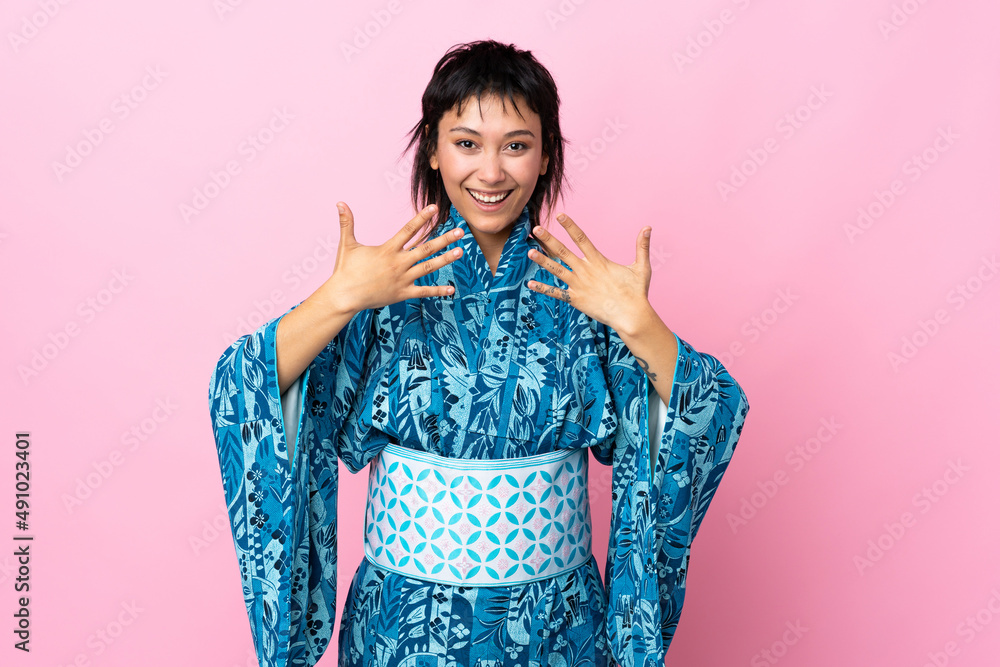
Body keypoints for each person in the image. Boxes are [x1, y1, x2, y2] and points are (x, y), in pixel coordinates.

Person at [208, 39, 749, 667]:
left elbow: (706, 408)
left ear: (546, 156)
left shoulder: (585, 295)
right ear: (432, 150)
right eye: (466, 143)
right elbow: (245, 386)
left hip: (557, 628)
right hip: (401, 629)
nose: (491, 172)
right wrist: (339, 298)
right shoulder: (381, 289)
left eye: (516, 146)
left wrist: (638, 322)